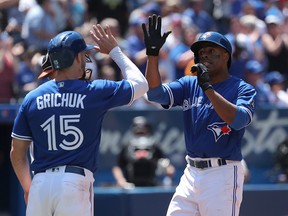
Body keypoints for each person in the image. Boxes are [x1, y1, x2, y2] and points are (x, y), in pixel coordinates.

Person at [10, 24, 148, 216]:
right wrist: (115, 52)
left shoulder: (32, 98)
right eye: (83, 55)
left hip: (40, 184)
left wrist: (28, 188)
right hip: (73, 183)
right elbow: (141, 85)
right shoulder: (93, 91)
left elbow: (16, 153)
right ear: (76, 57)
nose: (86, 59)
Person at [142, 14, 256, 216]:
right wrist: (152, 54)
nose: (204, 55)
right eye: (201, 51)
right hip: (191, 172)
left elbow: (238, 121)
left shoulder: (242, 88)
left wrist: (208, 89)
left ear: (225, 56)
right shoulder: (189, 84)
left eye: (211, 50)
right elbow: (155, 94)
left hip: (223, 173)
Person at [112, 116, 175, 188]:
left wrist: (168, 170)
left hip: (151, 186)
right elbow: (118, 166)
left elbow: (168, 166)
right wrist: (121, 180)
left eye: (143, 131)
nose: (141, 133)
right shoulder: (127, 145)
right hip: (130, 186)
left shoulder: (154, 145)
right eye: (138, 131)